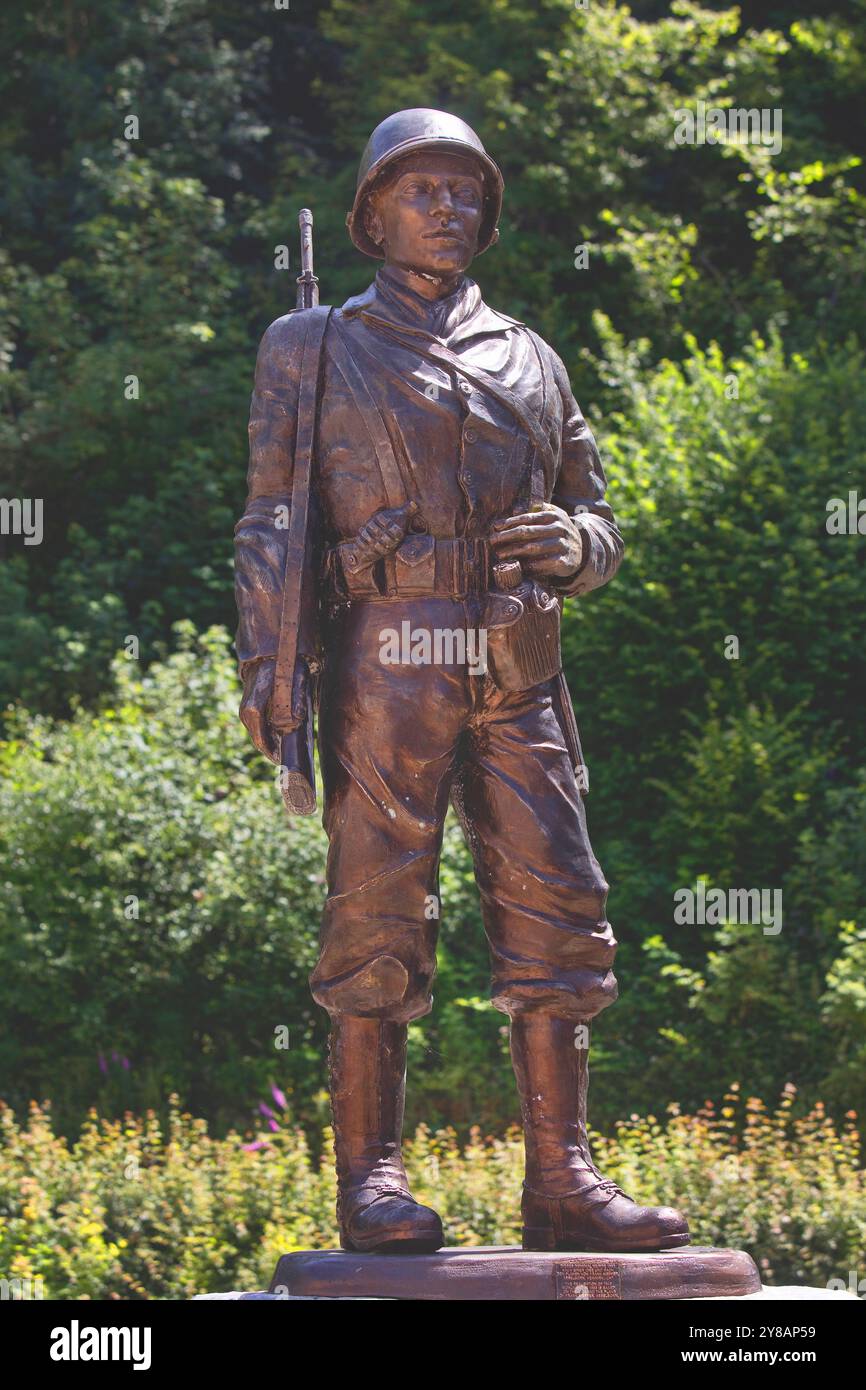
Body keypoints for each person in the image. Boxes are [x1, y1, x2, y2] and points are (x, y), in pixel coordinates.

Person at [234, 108, 689, 1255]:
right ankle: (370, 1178)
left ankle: (562, 1178)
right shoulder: (313, 345)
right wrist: (265, 670)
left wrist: (577, 547)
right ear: (371, 212)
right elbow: (270, 523)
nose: (449, 208)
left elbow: (597, 511)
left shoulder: (532, 356)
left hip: (518, 657)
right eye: (422, 189)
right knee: (375, 907)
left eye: (465, 191)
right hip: (387, 654)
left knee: (561, 907)